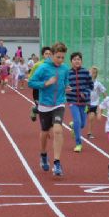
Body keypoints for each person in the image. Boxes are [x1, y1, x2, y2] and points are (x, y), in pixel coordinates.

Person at [28, 42, 70, 176]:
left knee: (58, 130)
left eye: (63, 57)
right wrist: (46, 83)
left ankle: (57, 163)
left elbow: (66, 82)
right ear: (51, 55)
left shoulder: (65, 68)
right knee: (45, 133)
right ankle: (43, 154)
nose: (60, 60)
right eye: (58, 57)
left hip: (59, 103)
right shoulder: (43, 68)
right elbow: (31, 82)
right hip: (45, 105)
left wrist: (67, 87)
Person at [67, 52, 93, 152]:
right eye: (74, 59)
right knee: (77, 120)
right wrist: (66, 89)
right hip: (72, 101)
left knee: (82, 124)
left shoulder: (85, 72)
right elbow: (63, 85)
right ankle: (78, 143)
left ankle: (73, 126)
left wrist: (85, 93)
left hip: (83, 102)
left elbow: (91, 86)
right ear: (71, 61)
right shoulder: (68, 73)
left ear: (81, 61)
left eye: (78, 59)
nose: (77, 61)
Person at [28, 46, 52, 122]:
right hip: (38, 90)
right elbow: (30, 79)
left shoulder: (53, 65)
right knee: (41, 108)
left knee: (49, 109)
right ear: (43, 55)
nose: (48, 55)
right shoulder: (37, 65)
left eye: (50, 54)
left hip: (49, 91)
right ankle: (34, 109)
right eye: (46, 53)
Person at [86, 66, 107, 139]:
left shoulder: (98, 84)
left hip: (94, 103)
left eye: (94, 73)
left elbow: (104, 92)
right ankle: (74, 124)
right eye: (90, 72)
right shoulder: (85, 82)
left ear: (96, 74)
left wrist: (107, 102)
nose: (92, 74)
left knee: (91, 118)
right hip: (85, 103)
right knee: (81, 119)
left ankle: (89, 132)